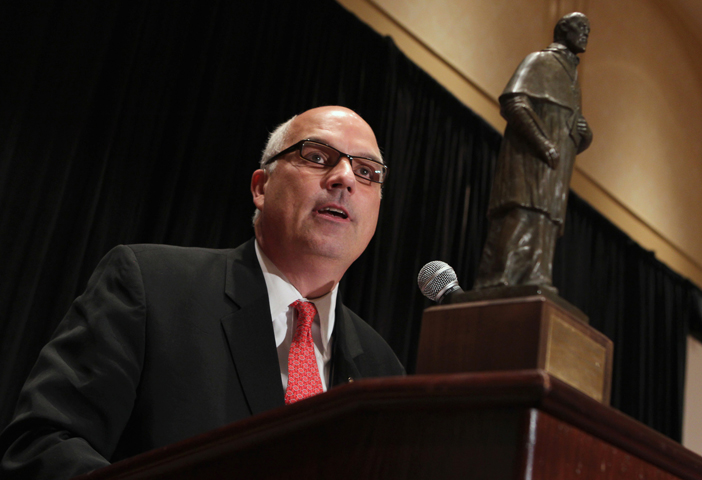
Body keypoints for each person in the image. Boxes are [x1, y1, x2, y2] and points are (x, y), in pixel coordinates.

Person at [0, 106, 405, 479]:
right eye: (317, 157)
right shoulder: (151, 285)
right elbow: (42, 444)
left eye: (368, 172)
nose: (345, 178)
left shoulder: (384, 369)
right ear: (261, 187)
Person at [474, 12, 593, 291]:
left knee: (544, 224)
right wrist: (543, 144)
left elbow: (570, 133)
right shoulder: (541, 61)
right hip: (528, 164)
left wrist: (583, 133)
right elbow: (514, 102)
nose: (587, 34)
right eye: (581, 28)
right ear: (564, 30)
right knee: (520, 217)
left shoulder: (572, 76)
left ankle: (535, 278)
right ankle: (498, 281)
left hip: (553, 174)